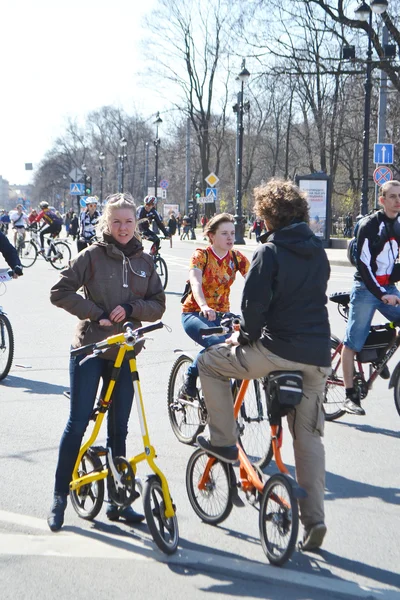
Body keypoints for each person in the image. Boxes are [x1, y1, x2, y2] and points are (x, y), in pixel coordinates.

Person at [196, 179, 331, 552]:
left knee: (210, 363)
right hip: (317, 356)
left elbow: (254, 305)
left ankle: (223, 440)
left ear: (269, 215)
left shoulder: (269, 251)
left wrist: (244, 335)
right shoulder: (317, 250)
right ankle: (314, 520)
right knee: (309, 437)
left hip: (276, 349)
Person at [47, 192, 166, 532]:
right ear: (106, 224)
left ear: (136, 224)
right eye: (116, 221)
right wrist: (95, 313)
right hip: (90, 350)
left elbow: (157, 303)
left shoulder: (144, 261)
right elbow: (60, 292)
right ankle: (58, 496)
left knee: (119, 429)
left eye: (129, 221)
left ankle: (118, 500)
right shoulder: (92, 257)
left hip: (125, 354)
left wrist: (131, 310)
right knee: (79, 422)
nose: (123, 227)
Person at [341, 180, 400, 416]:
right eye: (393, 196)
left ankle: (380, 356)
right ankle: (350, 395)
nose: (398, 201)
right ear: (382, 200)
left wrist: (388, 291)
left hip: (387, 286)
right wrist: (382, 295)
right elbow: (364, 266)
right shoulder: (369, 226)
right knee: (352, 343)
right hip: (367, 288)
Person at [180, 213, 249, 397]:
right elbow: (195, 282)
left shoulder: (237, 258)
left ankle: (232, 399)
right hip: (195, 313)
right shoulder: (201, 255)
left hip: (222, 315)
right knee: (218, 344)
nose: (230, 238)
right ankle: (191, 374)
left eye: (233, 233)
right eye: (224, 233)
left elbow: (256, 281)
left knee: (243, 346)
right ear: (211, 236)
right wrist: (203, 306)